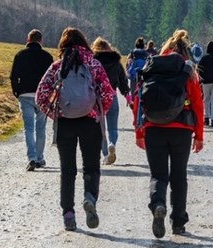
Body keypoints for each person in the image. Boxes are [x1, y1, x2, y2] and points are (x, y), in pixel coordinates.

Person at [36, 27, 114, 232]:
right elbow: (108, 94)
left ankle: (68, 215)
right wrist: (97, 112)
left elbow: (41, 96)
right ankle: (89, 198)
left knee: (67, 170)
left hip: (65, 123)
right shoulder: (94, 64)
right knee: (91, 167)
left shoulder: (57, 67)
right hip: (90, 123)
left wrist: (56, 114)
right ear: (84, 43)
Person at [133, 29, 204, 238]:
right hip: (181, 130)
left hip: (153, 127)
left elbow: (138, 100)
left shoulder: (151, 67)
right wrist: (199, 135)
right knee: (179, 176)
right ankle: (178, 222)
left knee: (158, 174)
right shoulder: (187, 70)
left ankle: (158, 204)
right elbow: (198, 105)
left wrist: (139, 130)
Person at [9, 29, 54, 171]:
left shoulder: (20, 55)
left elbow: (13, 76)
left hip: (24, 94)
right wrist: (50, 94)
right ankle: (40, 158)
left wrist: (17, 91)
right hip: (42, 96)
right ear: (41, 41)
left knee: (28, 128)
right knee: (40, 128)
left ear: (27, 39)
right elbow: (52, 78)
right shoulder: (47, 57)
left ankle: (32, 158)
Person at [92, 37, 132, 165]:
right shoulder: (116, 62)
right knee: (112, 127)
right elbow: (123, 81)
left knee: (100, 128)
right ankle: (111, 143)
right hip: (112, 96)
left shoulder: (93, 61)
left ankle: (105, 155)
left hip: (96, 98)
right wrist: (128, 97)